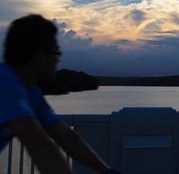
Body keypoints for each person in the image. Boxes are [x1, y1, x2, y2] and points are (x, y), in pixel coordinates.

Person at [0, 14, 119, 174]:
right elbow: (42, 149)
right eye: (57, 52)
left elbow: (66, 137)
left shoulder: (31, 93)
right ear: (40, 56)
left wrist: (106, 170)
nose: (58, 60)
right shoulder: (5, 84)